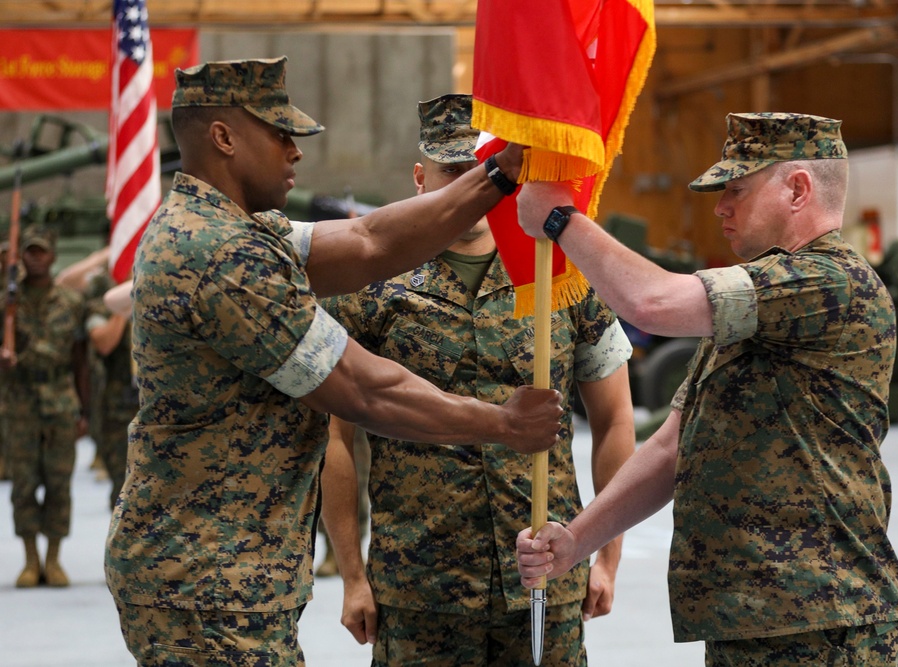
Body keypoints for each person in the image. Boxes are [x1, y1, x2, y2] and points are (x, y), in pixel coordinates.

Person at [103, 57, 564, 666]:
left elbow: (370, 242)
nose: (295, 151)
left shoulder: (233, 228)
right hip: (205, 580)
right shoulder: (220, 254)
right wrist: (502, 424)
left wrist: (498, 176)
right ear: (224, 139)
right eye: (280, 134)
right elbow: (361, 390)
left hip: (221, 570)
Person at [515, 113, 898, 665]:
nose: (721, 206)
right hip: (754, 617)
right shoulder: (753, 307)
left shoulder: (831, 281)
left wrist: (560, 218)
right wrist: (577, 542)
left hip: (820, 619)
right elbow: (673, 447)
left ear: (797, 189)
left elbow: (650, 303)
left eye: (737, 189)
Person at [319, 93, 635, 665]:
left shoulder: (558, 276)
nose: (472, 187)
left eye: (486, 168)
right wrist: (351, 574)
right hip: (420, 588)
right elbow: (336, 439)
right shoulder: (372, 285)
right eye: (453, 172)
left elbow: (614, 419)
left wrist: (607, 554)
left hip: (543, 575)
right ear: (420, 177)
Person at [0, 224, 90, 588]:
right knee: (23, 485)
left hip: (59, 404)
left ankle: (53, 558)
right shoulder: (7, 302)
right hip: (17, 405)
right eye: (29, 251)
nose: (34, 257)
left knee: (58, 484)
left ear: (53, 256)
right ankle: (29, 559)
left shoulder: (71, 302)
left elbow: (80, 360)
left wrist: (85, 411)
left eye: (41, 251)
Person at [84, 266, 138, 509]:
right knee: (121, 491)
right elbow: (104, 343)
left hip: (158, 406)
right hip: (119, 408)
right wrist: (125, 304)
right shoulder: (101, 306)